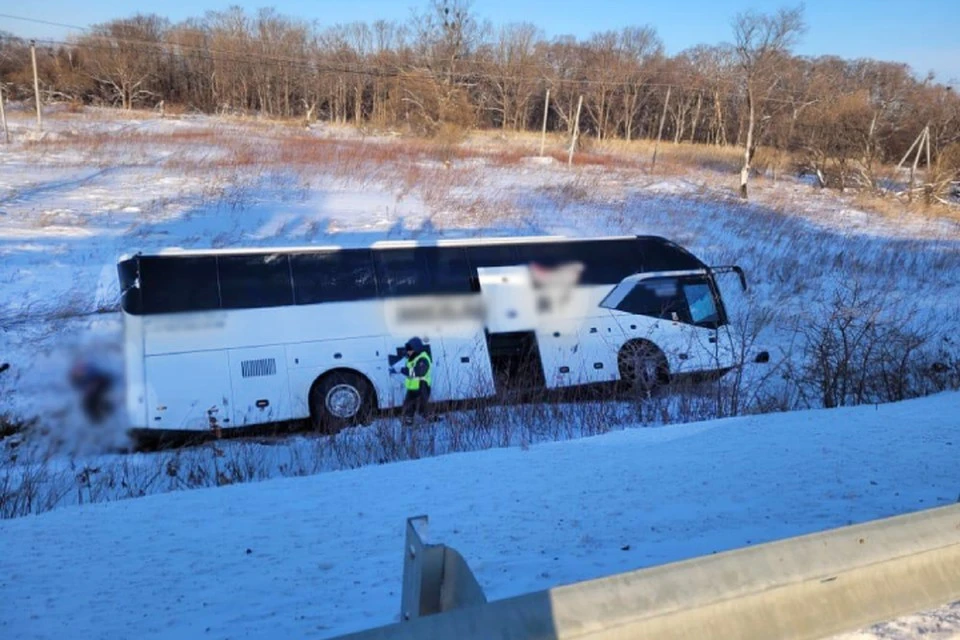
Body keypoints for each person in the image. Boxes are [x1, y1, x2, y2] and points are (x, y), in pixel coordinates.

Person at [396, 337, 433, 426]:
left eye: (409, 350)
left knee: (421, 406)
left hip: (421, 386)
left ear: (416, 349)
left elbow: (419, 372)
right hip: (413, 387)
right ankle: (408, 420)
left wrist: (403, 370)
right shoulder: (413, 357)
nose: (408, 352)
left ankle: (431, 419)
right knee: (408, 405)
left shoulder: (423, 358)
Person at [68, 360, 114, 424]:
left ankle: (103, 413)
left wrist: (94, 385)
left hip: (98, 388)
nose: (80, 371)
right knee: (90, 403)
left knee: (99, 400)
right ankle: (97, 417)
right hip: (91, 393)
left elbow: (102, 379)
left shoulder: (93, 373)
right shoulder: (78, 380)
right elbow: (80, 386)